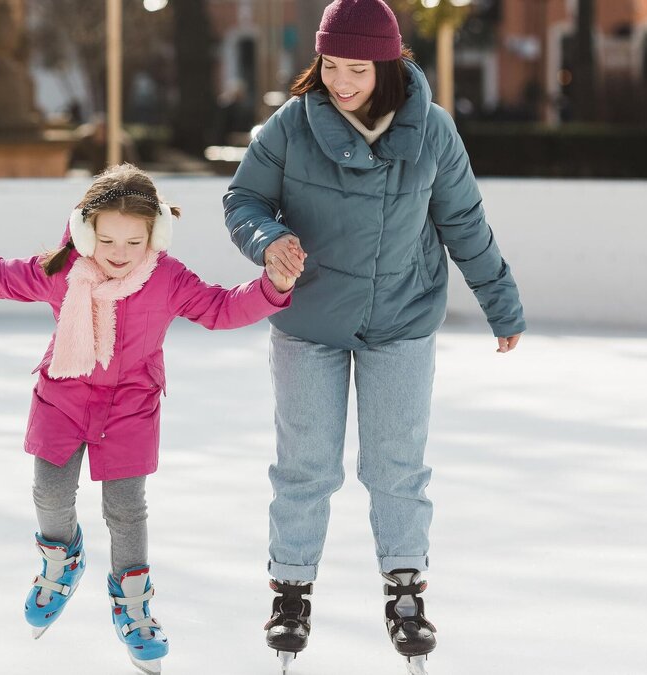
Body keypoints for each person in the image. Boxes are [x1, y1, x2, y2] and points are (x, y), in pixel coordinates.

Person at [0, 164, 304, 674]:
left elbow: (220, 308)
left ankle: (133, 604)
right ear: (85, 232)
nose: (119, 253)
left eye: (133, 241)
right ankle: (62, 560)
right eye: (106, 240)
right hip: (62, 398)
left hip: (131, 407)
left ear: (155, 235)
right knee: (49, 494)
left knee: (126, 510)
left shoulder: (168, 278)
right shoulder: (62, 271)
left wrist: (273, 286)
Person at [221, 1, 526, 673]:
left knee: (396, 465)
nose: (341, 81)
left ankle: (406, 589)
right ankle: (291, 589)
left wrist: (500, 303)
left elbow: (464, 222)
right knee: (306, 465)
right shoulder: (292, 124)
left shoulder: (433, 130)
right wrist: (268, 240)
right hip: (309, 320)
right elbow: (243, 200)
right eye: (331, 66)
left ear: (387, 66)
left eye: (357, 70)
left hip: (401, 318)